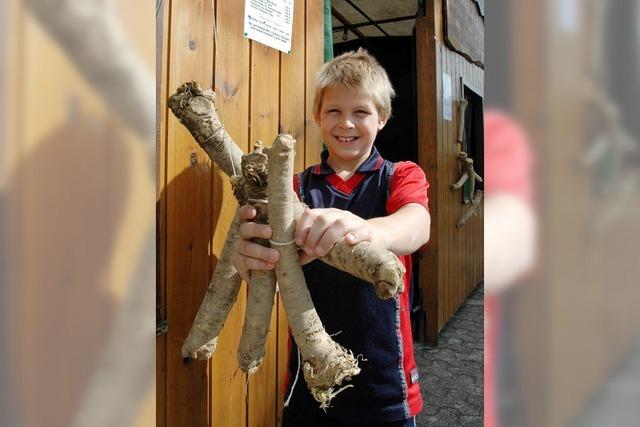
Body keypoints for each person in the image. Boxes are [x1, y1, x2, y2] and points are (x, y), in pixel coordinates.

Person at [232, 49, 431, 426]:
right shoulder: (291, 190)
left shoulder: (400, 176)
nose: (347, 124)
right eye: (335, 111)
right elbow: (274, 272)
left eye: (361, 112)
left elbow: (416, 224)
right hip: (309, 385)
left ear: (383, 118)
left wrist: (370, 230)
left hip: (386, 388)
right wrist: (253, 263)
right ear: (317, 117)